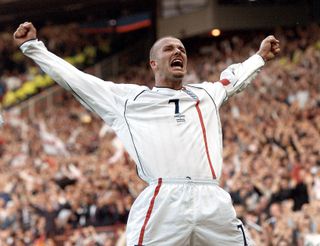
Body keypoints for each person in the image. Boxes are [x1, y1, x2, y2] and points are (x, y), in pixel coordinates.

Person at [14, 22, 280, 246]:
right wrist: (33, 47)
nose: (178, 51)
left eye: (182, 49)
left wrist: (259, 57)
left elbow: (233, 78)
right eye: (169, 48)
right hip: (165, 201)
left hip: (211, 199)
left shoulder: (206, 93)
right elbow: (78, 80)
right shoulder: (129, 100)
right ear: (154, 63)